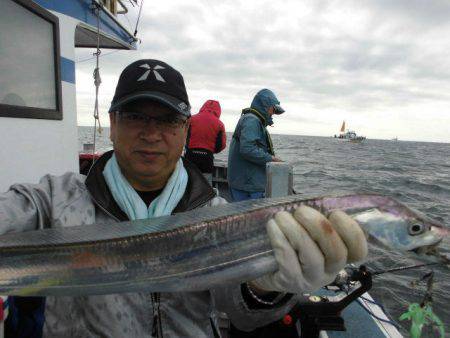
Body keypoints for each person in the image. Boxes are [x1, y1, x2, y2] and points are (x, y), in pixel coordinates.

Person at [0, 59, 368, 337]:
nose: (151, 133)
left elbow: (241, 315)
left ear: (186, 131)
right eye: (135, 116)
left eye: (168, 120)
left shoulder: (219, 217)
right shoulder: (53, 200)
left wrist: (264, 287)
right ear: (112, 124)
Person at [227, 88, 284, 202]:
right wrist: (272, 159)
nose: (273, 113)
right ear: (266, 106)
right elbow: (247, 149)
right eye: (273, 109)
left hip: (247, 181)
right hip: (247, 185)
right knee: (249, 218)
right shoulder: (252, 120)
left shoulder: (254, 120)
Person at [185, 100, 226, 181]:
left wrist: (189, 147)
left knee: (187, 182)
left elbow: (184, 136)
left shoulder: (191, 119)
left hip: (190, 156)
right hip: (207, 158)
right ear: (218, 111)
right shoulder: (219, 124)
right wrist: (211, 151)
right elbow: (221, 145)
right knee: (205, 186)